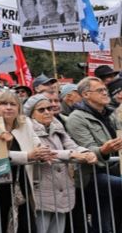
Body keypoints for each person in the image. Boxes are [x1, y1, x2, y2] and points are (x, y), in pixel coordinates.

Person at [24, 94, 96, 233]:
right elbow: (45, 152)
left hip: (62, 189)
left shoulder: (57, 125)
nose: (47, 112)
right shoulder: (28, 130)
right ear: (31, 114)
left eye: (49, 108)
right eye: (41, 110)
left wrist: (87, 152)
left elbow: (72, 145)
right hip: (41, 189)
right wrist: (70, 155)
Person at [0, 88, 48, 233]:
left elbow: (37, 144)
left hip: (22, 184)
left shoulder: (25, 124)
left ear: (18, 107)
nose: (8, 107)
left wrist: (45, 153)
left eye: (13, 104)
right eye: (4, 104)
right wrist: (27, 156)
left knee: (25, 226)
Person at [64, 77, 122, 233]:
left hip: (113, 170)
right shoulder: (76, 118)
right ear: (86, 94)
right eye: (100, 90)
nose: (105, 93)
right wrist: (104, 150)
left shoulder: (109, 114)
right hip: (92, 175)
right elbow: (87, 150)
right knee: (103, 219)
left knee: (107, 220)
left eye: (105, 90)